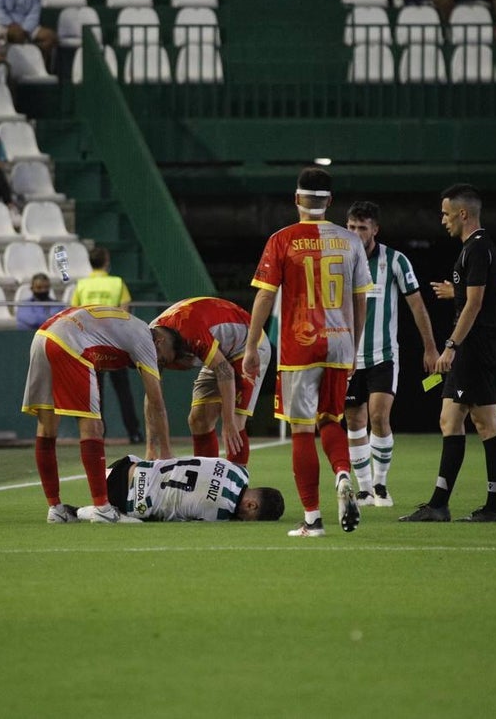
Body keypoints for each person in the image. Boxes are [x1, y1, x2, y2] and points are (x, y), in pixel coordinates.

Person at [242, 167, 372, 537]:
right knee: (330, 420)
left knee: (301, 431)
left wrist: (251, 346)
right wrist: (353, 348)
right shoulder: (351, 241)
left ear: (297, 199)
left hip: (300, 344)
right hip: (340, 342)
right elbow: (360, 301)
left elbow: (265, 295)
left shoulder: (281, 239)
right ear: (330, 202)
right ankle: (343, 473)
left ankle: (313, 519)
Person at [400, 184, 496, 523]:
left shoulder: (477, 248)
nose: (443, 219)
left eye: (447, 214)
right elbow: (476, 296)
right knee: (454, 419)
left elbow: (475, 304)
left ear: (463, 214)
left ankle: (486, 506)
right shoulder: (476, 248)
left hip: (472, 348)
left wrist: (451, 346)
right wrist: (456, 292)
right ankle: (448, 504)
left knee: (484, 424)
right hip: (477, 346)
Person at [21, 306, 172, 524]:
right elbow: (156, 402)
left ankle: (56, 509)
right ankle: (102, 508)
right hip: (71, 342)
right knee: (93, 427)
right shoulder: (147, 340)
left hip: (43, 336)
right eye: (163, 360)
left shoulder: (129, 326)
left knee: (46, 427)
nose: (160, 364)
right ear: (160, 342)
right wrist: (165, 450)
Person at [343, 201, 439, 508]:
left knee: (379, 416)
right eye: (351, 227)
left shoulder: (395, 261)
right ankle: (364, 489)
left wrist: (430, 347)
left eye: (362, 227)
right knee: (354, 420)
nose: (356, 233)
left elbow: (417, 305)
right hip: (347, 357)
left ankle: (381, 485)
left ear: (375, 229)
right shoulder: (338, 260)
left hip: (383, 354)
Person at [151, 296, 270, 466]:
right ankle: (205, 478)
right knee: (199, 420)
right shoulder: (149, 342)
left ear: (159, 342)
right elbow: (152, 397)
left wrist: (227, 421)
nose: (160, 364)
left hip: (247, 346)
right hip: (219, 352)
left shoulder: (190, 330)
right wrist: (151, 446)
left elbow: (225, 371)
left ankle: (236, 481)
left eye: (161, 360)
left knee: (235, 423)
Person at [71, 246, 143, 444]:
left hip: (90, 343)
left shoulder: (82, 285)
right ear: (106, 261)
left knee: (96, 391)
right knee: (123, 390)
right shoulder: (117, 282)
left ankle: (98, 433)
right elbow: (125, 312)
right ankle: (134, 433)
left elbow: (75, 313)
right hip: (114, 342)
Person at [72, 455, 285, 523]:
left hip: (126, 465)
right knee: (142, 520)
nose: (245, 522)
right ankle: (81, 512)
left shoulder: (240, 471)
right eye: (250, 519)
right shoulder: (220, 512)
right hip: (124, 498)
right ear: (251, 505)